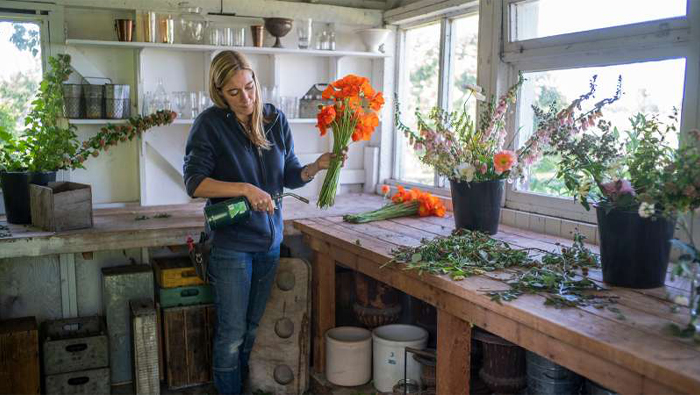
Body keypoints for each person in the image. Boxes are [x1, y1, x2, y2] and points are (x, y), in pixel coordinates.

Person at [183, 50, 344, 394]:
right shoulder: (210, 125)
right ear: (219, 93)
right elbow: (194, 183)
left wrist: (315, 167)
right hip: (231, 248)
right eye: (234, 92)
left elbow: (289, 174)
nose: (247, 98)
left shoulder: (275, 119)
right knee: (232, 335)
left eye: (250, 86)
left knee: (252, 329)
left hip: (269, 243)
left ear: (256, 80)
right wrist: (245, 189)